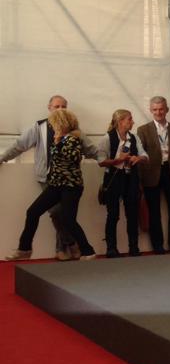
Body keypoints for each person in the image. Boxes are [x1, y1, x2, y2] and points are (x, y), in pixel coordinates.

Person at [0, 94, 96, 260]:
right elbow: (19, 145)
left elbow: (89, 152)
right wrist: (2, 157)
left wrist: (110, 160)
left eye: (63, 107)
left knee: (62, 215)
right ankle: (27, 249)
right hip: (50, 180)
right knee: (41, 213)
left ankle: (77, 249)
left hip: (69, 184)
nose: (60, 110)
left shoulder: (75, 135)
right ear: (49, 108)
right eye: (56, 106)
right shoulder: (40, 127)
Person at [136, 96, 170, 255]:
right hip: (151, 174)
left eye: (161, 109)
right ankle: (157, 246)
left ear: (166, 110)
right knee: (154, 212)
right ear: (151, 111)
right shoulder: (143, 130)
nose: (158, 112)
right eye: (155, 109)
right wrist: (141, 180)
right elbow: (141, 155)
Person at [96, 109, 149, 258]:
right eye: (130, 119)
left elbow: (145, 155)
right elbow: (101, 161)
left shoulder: (134, 138)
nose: (132, 122)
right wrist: (118, 160)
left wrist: (138, 158)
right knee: (113, 214)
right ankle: (111, 248)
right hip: (113, 179)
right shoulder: (106, 138)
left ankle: (134, 247)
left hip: (130, 178)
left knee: (132, 213)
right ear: (120, 122)